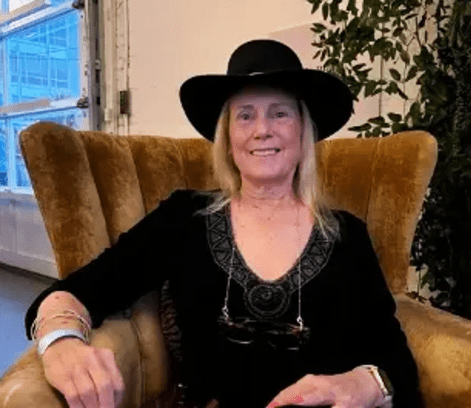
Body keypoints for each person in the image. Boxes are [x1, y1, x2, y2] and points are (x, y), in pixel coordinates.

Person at [25, 39, 423, 408]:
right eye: (245, 115)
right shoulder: (184, 217)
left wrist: (364, 384)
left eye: (280, 113)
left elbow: (396, 360)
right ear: (228, 137)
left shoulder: (346, 233)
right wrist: (61, 342)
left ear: (303, 131)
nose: (262, 130)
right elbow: (86, 287)